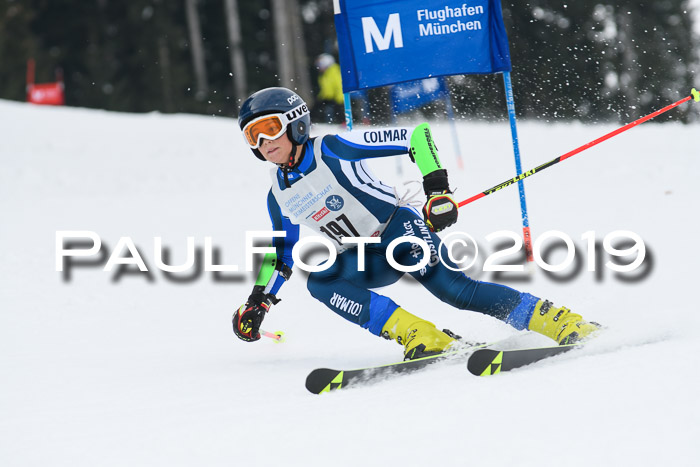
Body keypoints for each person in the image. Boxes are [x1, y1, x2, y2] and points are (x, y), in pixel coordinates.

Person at [233, 87, 600, 359]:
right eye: (253, 135)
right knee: (322, 281)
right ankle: (422, 336)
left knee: (454, 291)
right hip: (365, 255)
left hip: (398, 228)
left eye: (269, 127)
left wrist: (437, 190)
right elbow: (282, 254)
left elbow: (415, 136)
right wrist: (258, 301)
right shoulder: (277, 194)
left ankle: (559, 321)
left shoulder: (331, 148)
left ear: (296, 124)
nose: (264, 141)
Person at [314, 54, 345, 124]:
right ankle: (310, 122)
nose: (318, 67)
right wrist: (321, 96)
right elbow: (326, 88)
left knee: (339, 109)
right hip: (328, 96)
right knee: (316, 107)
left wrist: (340, 97)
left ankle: (344, 123)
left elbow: (339, 84)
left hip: (336, 96)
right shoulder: (325, 73)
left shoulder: (334, 71)